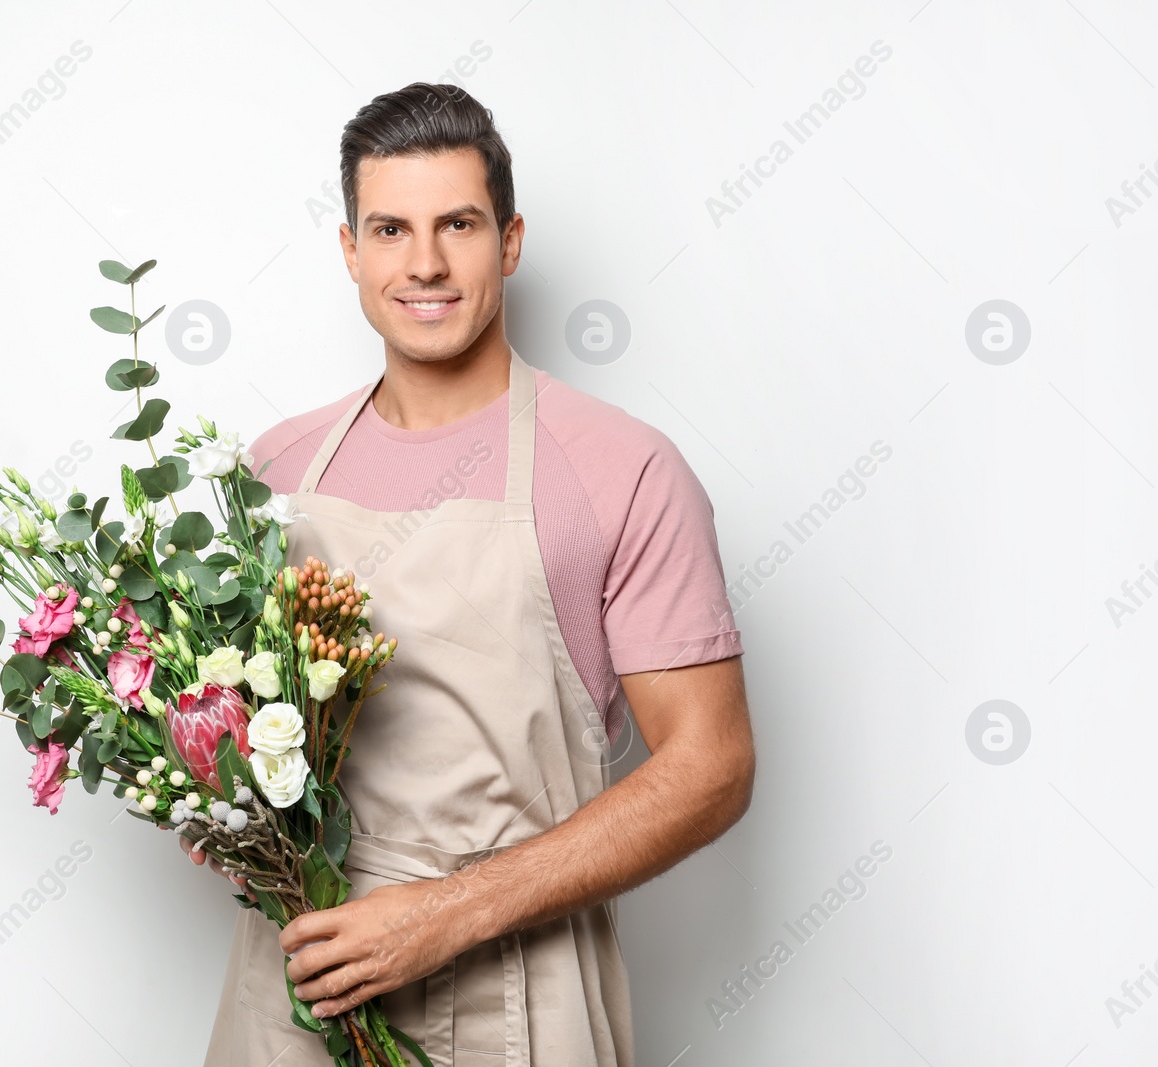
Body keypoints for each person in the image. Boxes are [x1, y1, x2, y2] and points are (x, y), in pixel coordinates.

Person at [187, 81, 755, 1067]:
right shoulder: (273, 469)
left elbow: (711, 765)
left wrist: (449, 913)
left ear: (510, 240)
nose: (425, 263)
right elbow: (224, 723)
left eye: (457, 223)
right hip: (298, 979)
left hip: (515, 991)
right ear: (350, 251)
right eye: (391, 228)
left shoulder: (622, 468)